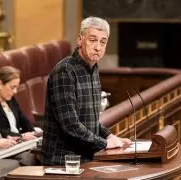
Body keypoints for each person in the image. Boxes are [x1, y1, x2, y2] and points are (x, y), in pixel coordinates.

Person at [42, 16, 131, 165]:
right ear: (80, 40)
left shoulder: (93, 68)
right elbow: (70, 125)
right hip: (62, 161)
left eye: (103, 42)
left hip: (85, 156)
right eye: (93, 40)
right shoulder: (65, 71)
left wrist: (109, 136)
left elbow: (89, 120)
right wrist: (104, 144)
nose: (98, 47)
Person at [0, 66, 38, 165]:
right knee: (34, 157)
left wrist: (34, 133)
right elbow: (0, 130)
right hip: (7, 145)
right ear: (0, 84)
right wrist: (21, 136)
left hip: (20, 142)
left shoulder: (10, 99)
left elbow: (23, 119)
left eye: (16, 87)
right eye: (12, 87)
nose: (15, 92)